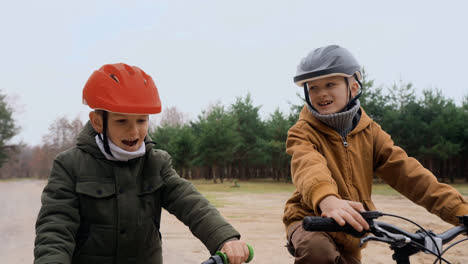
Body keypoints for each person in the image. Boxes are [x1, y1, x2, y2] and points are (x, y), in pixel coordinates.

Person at [34, 63, 250, 264]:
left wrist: (225, 238)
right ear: (98, 122)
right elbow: (55, 227)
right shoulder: (70, 165)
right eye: (122, 121)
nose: (134, 131)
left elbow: (191, 203)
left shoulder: (156, 163)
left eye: (141, 120)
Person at [283, 45, 468, 264]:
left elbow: (409, 175)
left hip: (353, 228)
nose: (321, 93)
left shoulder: (371, 133)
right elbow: (308, 166)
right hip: (310, 221)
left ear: (353, 86)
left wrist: (460, 211)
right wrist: (327, 199)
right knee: (318, 252)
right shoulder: (302, 132)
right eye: (312, 88)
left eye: (330, 84)